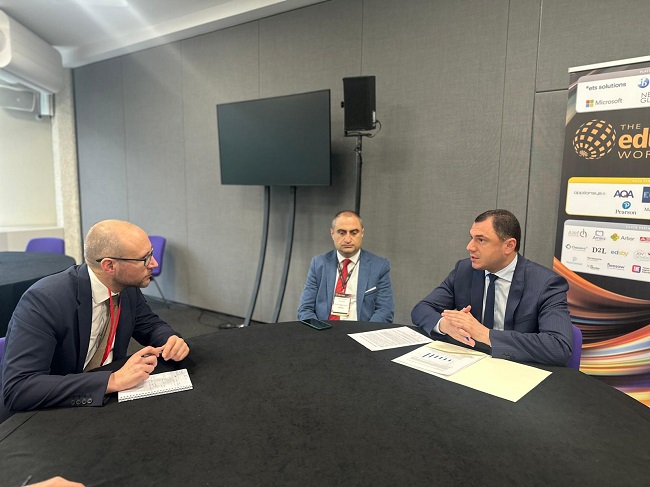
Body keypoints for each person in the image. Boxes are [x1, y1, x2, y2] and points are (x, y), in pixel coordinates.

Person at [1, 220, 190, 417]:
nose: (154, 263)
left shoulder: (126, 288)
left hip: (105, 402)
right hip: (51, 410)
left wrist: (170, 339)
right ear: (109, 265)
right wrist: (112, 381)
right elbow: (20, 388)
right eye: (145, 258)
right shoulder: (45, 300)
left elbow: (150, 325)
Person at [411, 209, 572, 366]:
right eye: (471, 238)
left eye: (481, 240)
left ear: (509, 246)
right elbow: (421, 309)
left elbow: (559, 347)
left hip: (516, 368)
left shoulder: (546, 284)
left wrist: (484, 334)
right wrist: (446, 325)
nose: (470, 247)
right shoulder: (464, 270)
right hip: (468, 364)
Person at [298, 210, 394, 323]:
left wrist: (365, 332)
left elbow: (385, 311)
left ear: (362, 233)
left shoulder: (379, 266)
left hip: (361, 330)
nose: (348, 239)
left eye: (354, 233)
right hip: (324, 330)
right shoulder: (319, 264)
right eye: (342, 233)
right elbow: (305, 309)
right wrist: (319, 330)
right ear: (332, 233)